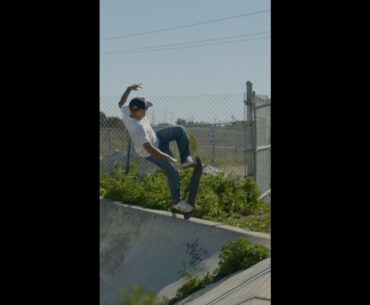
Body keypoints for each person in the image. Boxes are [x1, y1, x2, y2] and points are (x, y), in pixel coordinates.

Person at [118, 83, 196, 212]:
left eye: (145, 109)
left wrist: (128, 89)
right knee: (173, 171)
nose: (145, 112)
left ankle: (186, 159)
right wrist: (171, 159)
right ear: (135, 110)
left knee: (179, 130)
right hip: (150, 151)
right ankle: (177, 202)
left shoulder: (127, 110)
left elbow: (121, 101)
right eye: (143, 110)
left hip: (156, 137)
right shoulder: (138, 128)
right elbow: (151, 150)